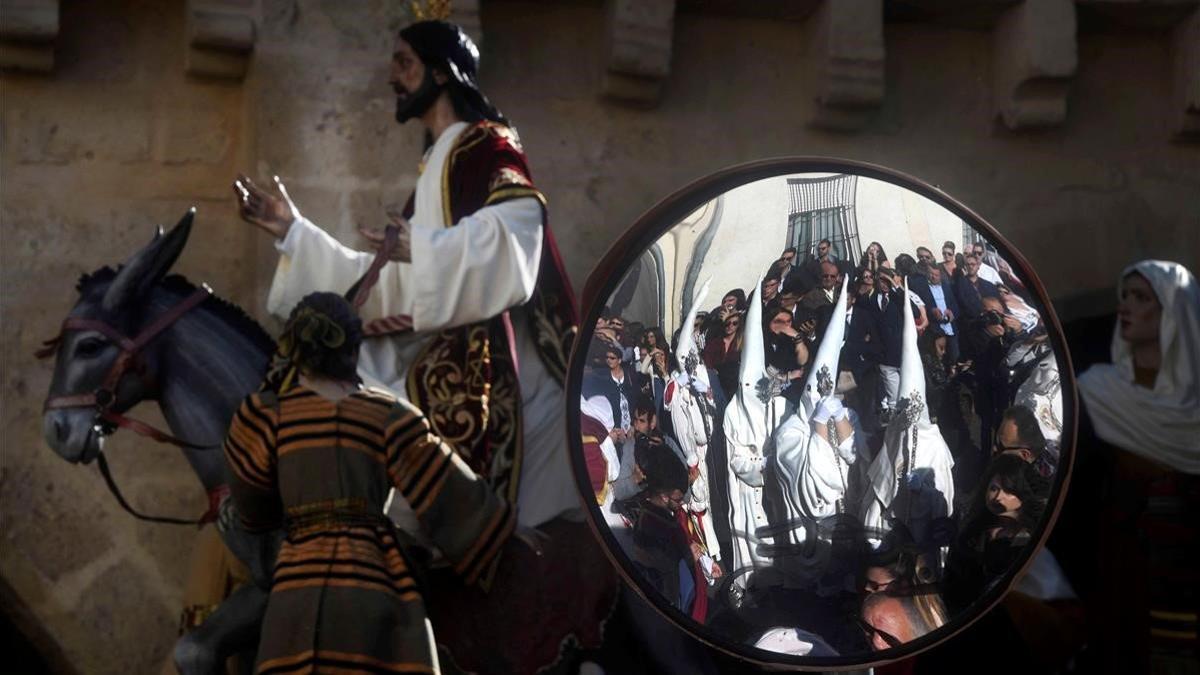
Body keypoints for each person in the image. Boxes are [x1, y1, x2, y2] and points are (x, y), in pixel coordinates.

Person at [232, 20, 612, 672]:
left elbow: (520, 231)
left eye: (405, 63)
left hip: (491, 364)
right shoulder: (437, 166)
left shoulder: (485, 146)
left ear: (441, 72)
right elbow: (392, 288)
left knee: (386, 414)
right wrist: (293, 232)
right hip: (440, 348)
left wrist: (428, 249)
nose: (392, 75)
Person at [223, 293, 540, 674]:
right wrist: (507, 529)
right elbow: (447, 490)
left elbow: (253, 510)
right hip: (374, 583)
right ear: (355, 349)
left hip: (298, 588)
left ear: (295, 349)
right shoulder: (387, 414)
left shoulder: (266, 418)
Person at [1061, 260, 1200, 675]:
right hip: (1124, 577)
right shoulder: (1097, 391)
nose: (1125, 307)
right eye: (1124, 296)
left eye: (1141, 298)